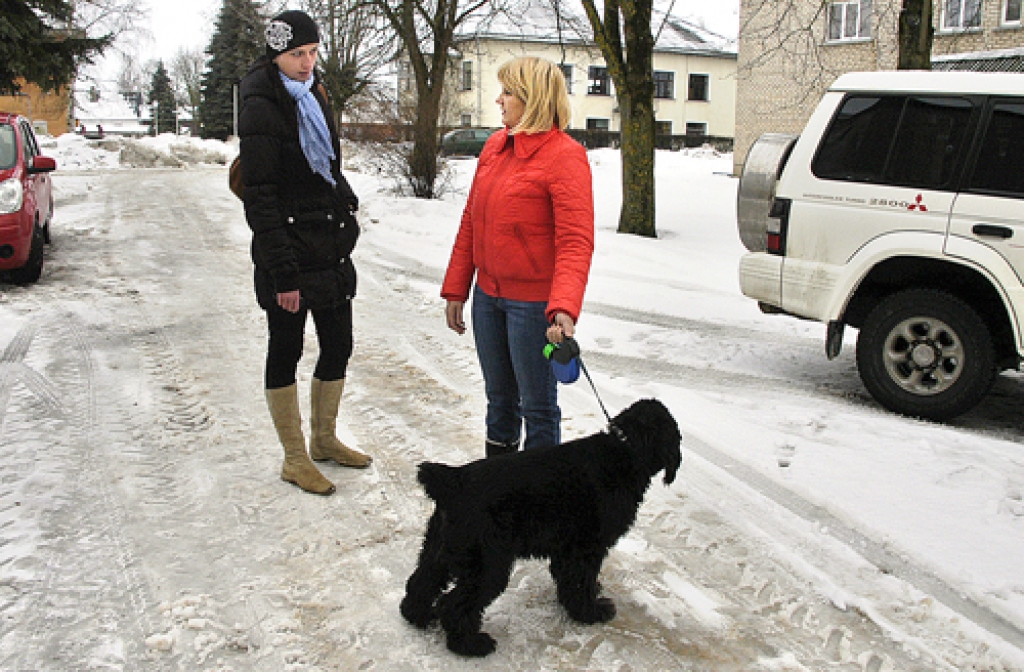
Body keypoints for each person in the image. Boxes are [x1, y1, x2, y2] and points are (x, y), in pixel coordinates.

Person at [239, 9, 370, 496]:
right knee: (286, 349)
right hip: (289, 252)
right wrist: (283, 274)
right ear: (276, 54)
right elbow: (261, 197)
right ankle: (295, 458)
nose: (307, 62)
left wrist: (345, 200)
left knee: (339, 344)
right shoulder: (261, 104)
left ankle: (324, 439)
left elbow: (327, 167)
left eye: (313, 52)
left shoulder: (315, 94)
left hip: (328, 246)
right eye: (297, 54)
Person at [440, 56, 595, 457]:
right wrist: (457, 288)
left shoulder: (565, 155)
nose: (499, 100)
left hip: (533, 307)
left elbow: (575, 240)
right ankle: (500, 489)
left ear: (534, 97)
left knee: (538, 409)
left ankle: (541, 495)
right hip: (488, 299)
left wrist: (563, 307)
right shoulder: (495, 146)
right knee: (499, 403)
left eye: (508, 92)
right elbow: (471, 220)